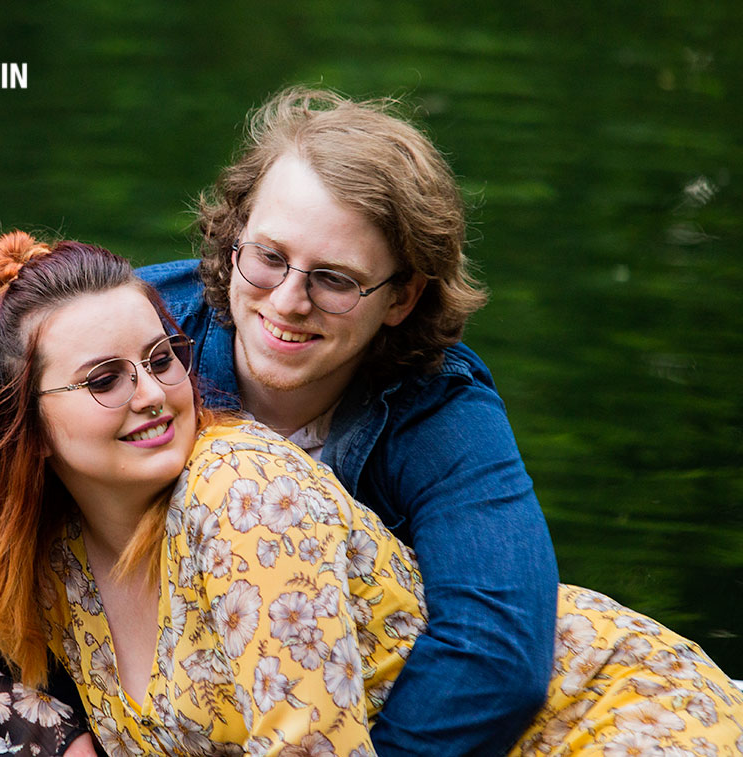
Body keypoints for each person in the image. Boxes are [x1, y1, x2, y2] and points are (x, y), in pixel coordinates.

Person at [0, 232, 743, 757]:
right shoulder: (38, 545)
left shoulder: (242, 494)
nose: (152, 393)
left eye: (162, 359)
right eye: (104, 378)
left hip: (595, 723)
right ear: (22, 424)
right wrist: (52, 733)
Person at [134, 85, 557, 754]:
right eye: (269, 256)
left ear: (402, 296)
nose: (289, 300)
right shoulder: (135, 329)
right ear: (234, 236)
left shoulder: (440, 409)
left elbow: (497, 651)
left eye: (333, 279)